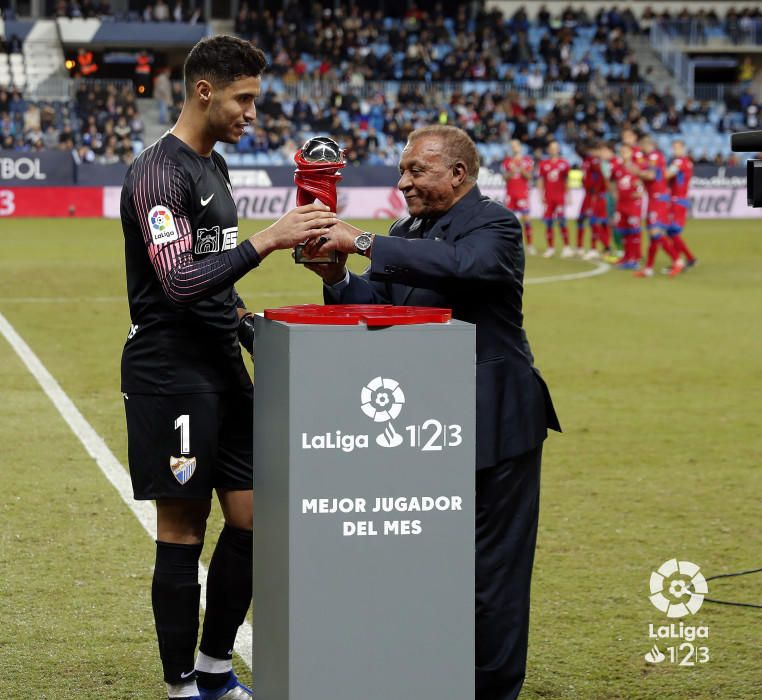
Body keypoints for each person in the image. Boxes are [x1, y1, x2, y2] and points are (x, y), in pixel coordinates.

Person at [305, 125, 560, 700]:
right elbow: (381, 308)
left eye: (417, 171)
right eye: (403, 171)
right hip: (426, 424)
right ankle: (434, 673)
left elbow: (463, 267)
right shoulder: (406, 229)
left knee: (492, 570)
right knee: (427, 559)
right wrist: (339, 277)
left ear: (458, 175)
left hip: (495, 420)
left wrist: (363, 242)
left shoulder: (494, 224)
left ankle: (491, 688)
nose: (403, 183)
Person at [119, 35, 335, 700]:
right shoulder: (159, 172)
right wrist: (269, 240)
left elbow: (214, 289)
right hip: (170, 374)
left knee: (253, 517)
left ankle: (215, 666)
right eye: (244, 99)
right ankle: (181, 685)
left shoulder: (217, 169)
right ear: (205, 92)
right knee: (184, 527)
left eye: (256, 99)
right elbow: (181, 281)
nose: (252, 112)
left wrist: (253, 329)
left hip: (221, 368)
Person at [632, 135, 683, 278]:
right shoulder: (650, 158)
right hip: (654, 199)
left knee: (656, 233)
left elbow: (651, 176)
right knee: (653, 236)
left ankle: (677, 260)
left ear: (645, 144)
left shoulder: (654, 155)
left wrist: (636, 172)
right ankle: (648, 269)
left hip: (658, 199)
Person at [609, 142, 645, 269]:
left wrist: (640, 191)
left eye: (626, 152)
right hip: (621, 204)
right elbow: (612, 181)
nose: (624, 154)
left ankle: (634, 259)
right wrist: (614, 194)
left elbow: (643, 180)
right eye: (622, 152)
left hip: (633, 204)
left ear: (631, 153)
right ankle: (626, 257)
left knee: (634, 231)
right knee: (624, 232)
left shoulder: (636, 167)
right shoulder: (617, 168)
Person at [665, 139, 697, 270]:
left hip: (677, 201)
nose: (675, 150)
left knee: (671, 231)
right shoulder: (687, 162)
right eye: (674, 148)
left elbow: (667, 175)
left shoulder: (679, 162)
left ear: (683, 148)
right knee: (672, 232)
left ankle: (680, 261)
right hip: (679, 200)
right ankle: (688, 259)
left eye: (678, 148)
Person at [537, 140, 571, 258]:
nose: (553, 150)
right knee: (549, 222)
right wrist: (541, 195)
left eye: (555, 148)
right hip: (549, 197)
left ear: (558, 149)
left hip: (560, 197)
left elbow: (566, 180)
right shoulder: (543, 164)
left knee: (562, 221)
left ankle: (567, 247)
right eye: (551, 148)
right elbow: (541, 180)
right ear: (548, 150)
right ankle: (550, 248)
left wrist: (569, 195)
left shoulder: (564, 163)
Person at [501, 138, 536, 254]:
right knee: (509, 220)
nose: (514, 148)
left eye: (516, 146)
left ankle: (530, 245)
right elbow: (505, 178)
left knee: (526, 219)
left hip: (522, 193)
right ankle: (509, 244)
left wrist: (520, 169)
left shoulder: (527, 160)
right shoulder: (507, 162)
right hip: (510, 193)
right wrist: (511, 171)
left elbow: (529, 177)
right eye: (512, 146)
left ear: (520, 147)